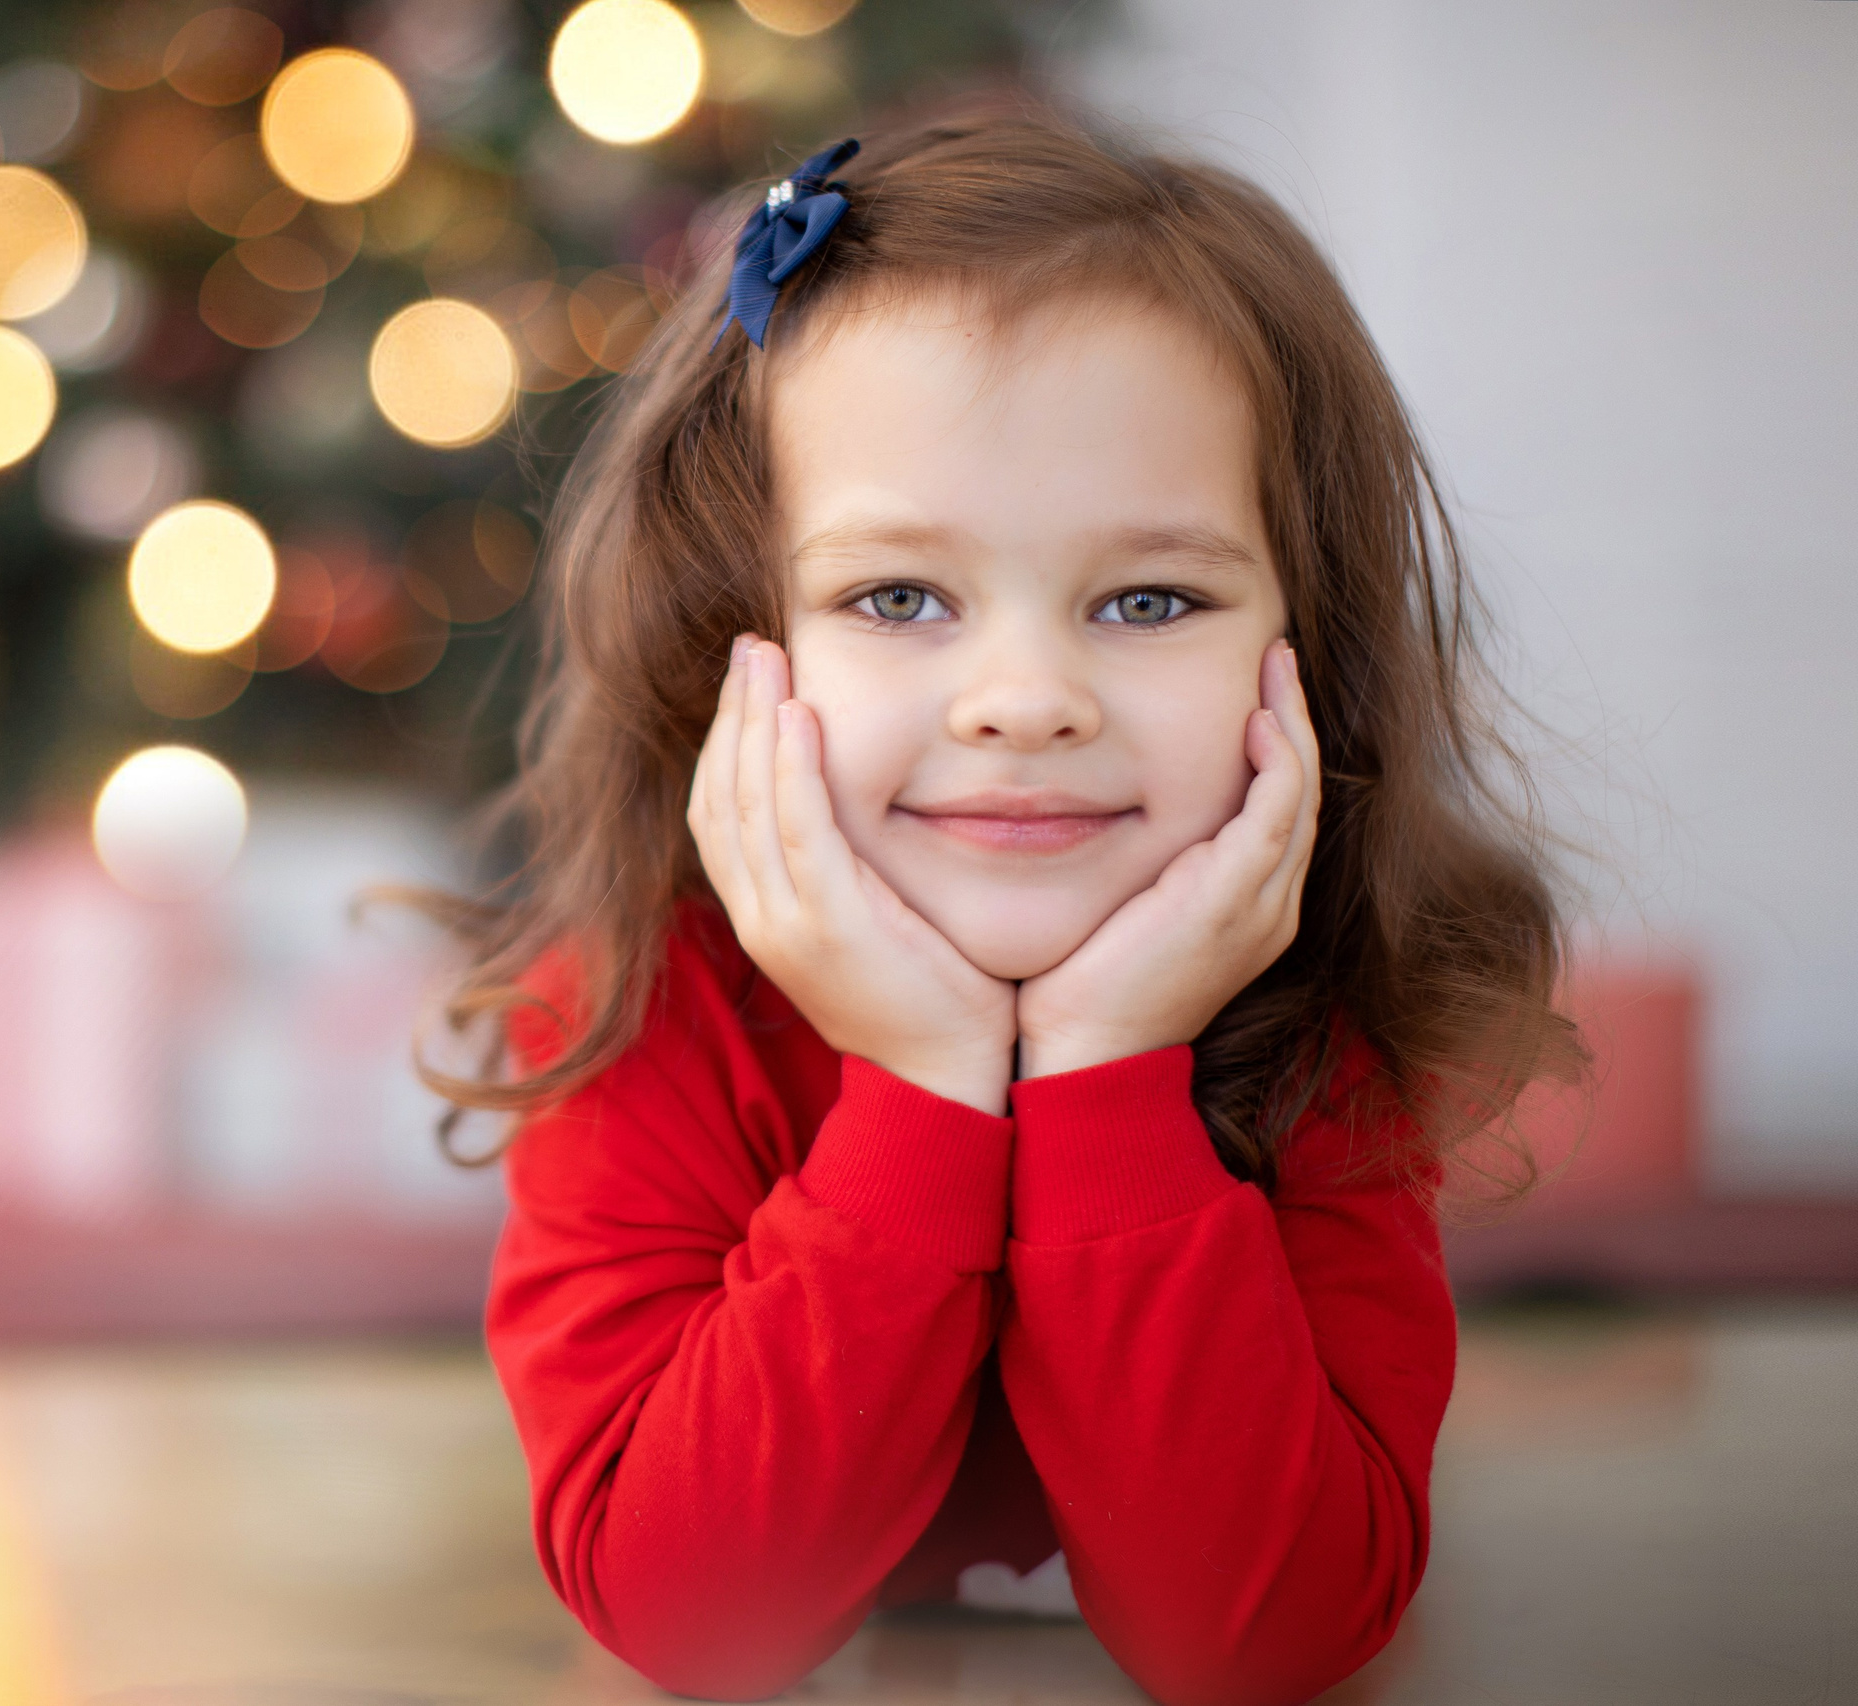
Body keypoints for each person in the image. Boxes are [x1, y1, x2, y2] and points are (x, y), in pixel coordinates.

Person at [418, 103, 1582, 1706]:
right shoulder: (633, 1006)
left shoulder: (1313, 1001)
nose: (1025, 699)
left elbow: (1269, 1639)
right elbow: (693, 1620)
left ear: (1308, 656)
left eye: (1149, 597)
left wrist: (1108, 1069)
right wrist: (918, 1086)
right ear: (731, 645)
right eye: (897, 597)